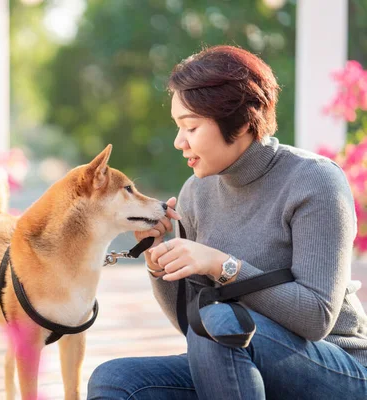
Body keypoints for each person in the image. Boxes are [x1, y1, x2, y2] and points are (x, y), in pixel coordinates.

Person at [87, 45, 367, 399]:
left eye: (190, 127)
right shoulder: (196, 193)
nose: (179, 142)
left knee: (221, 319)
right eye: (178, 127)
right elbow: (195, 331)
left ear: (239, 121)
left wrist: (223, 266)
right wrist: (157, 261)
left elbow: (315, 318)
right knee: (115, 380)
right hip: (242, 369)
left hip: (337, 369)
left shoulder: (315, 181)